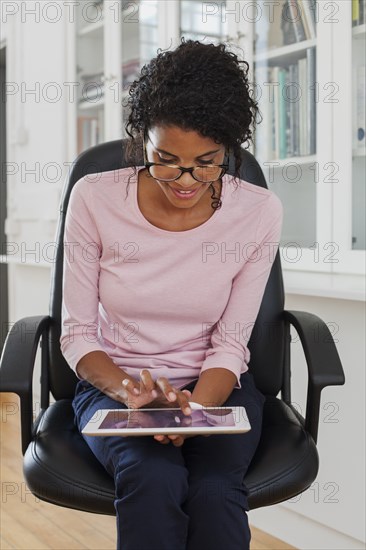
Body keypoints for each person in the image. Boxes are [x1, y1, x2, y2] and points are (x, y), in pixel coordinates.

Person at [60, 38, 283, 550]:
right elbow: (76, 333)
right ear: (142, 140)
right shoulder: (95, 198)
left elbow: (231, 342)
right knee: (151, 476)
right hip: (114, 383)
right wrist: (131, 394)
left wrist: (192, 411)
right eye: (165, 160)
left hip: (213, 384)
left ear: (230, 148)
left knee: (213, 489)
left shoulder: (258, 211)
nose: (186, 181)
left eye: (207, 163)